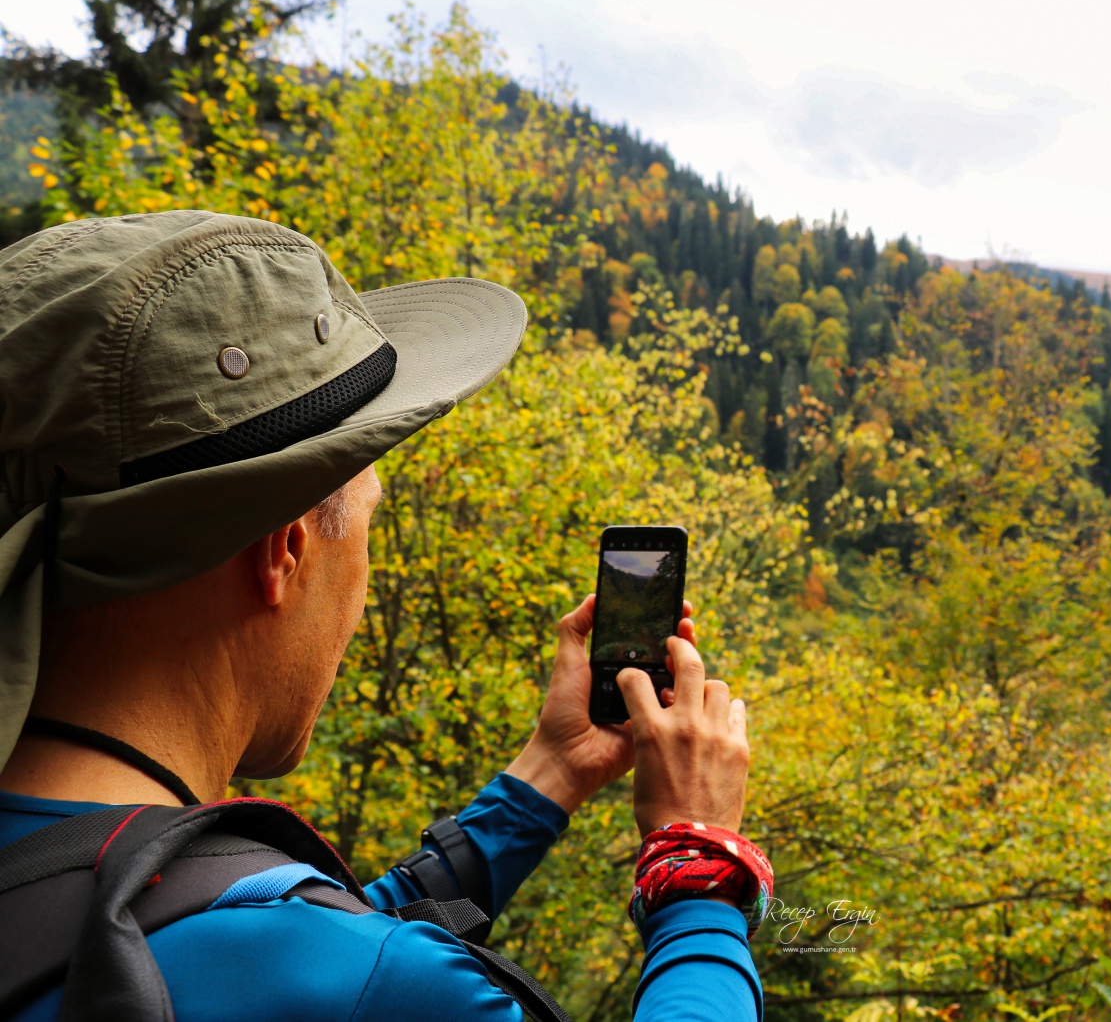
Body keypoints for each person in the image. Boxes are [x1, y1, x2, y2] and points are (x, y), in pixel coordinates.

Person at [0, 210, 768, 1021]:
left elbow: (293, 941)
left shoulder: (72, 880)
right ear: (283, 548)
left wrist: (548, 774)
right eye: (367, 522)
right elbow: (339, 966)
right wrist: (697, 866)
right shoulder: (391, 988)